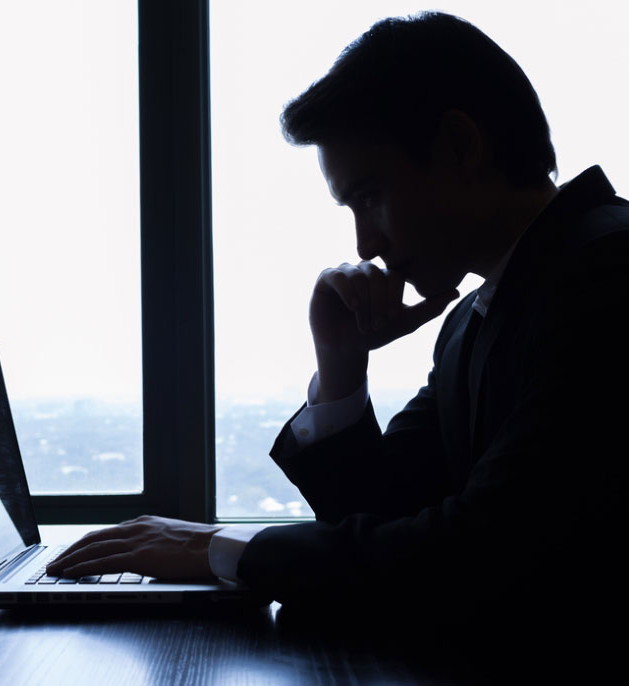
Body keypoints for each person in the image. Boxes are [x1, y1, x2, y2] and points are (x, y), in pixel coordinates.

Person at [48, 11, 628, 675]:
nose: (365, 245)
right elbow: (384, 519)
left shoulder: (607, 275)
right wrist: (341, 365)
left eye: (371, 196)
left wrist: (221, 549)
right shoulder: (478, 317)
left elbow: (479, 556)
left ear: (459, 146)